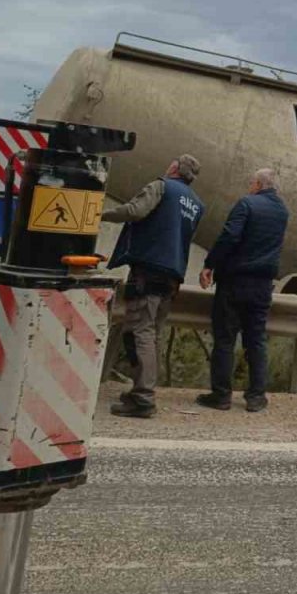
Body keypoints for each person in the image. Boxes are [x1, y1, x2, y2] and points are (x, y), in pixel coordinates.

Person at [104, 155, 205, 419]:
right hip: (172, 277)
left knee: (141, 333)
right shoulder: (196, 204)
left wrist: (98, 213)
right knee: (151, 334)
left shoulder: (161, 186)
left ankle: (143, 398)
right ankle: (141, 389)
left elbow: (135, 211)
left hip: (149, 270)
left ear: (173, 168)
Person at [196, 168, 290, 413]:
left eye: (251, 182)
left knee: (225, 339)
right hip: (262, 286)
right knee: (256, 340)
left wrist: (210, 264)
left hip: (235, 281)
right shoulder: (282, 211)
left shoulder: (246, 204)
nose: (250, 186)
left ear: (258, 184)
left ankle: (222, 396)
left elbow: (230, 236)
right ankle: (256, 397)